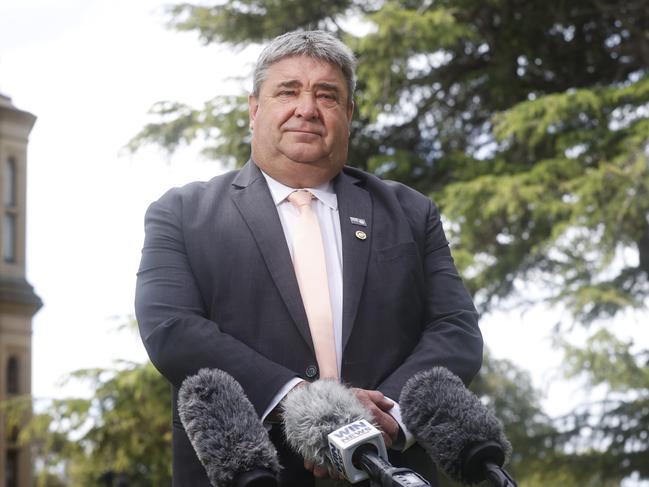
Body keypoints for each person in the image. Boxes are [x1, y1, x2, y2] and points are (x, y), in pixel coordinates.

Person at [135, 30, 483, 487]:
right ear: (254, 108)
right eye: (288, 91)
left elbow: (454, 329)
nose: (307, 108)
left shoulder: (411, 213)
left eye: (327, 95)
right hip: (251, 473)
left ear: (348, 114)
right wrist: (309, 407)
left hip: (389, 471)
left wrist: (389, 415)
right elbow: (172, 330)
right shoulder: (182, 214)